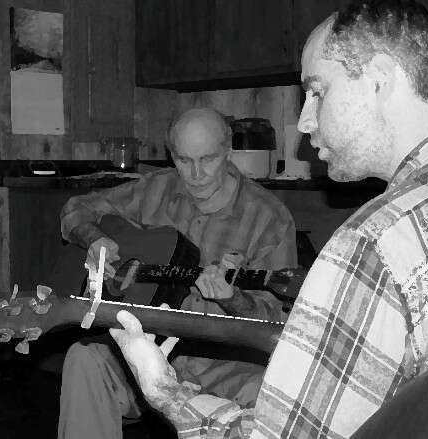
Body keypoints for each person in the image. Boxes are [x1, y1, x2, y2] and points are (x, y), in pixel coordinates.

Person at [109, 1, 428, 438]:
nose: (303, 121)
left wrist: (164, 389)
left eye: (317, 91)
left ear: (380, 78)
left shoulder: (373, 242)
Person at [57, 107, 298, 439]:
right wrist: (95, 238)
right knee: (84, 359)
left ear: (228, 151)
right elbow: (76, 209)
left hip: (223, 365)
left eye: (209, 159)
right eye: (184, 161)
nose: (197, 174)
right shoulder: (155, 189)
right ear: (172, 155)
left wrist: (234, 299)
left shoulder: (269, 217)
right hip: (144, 349)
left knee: (275, 401)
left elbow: (278, 321)